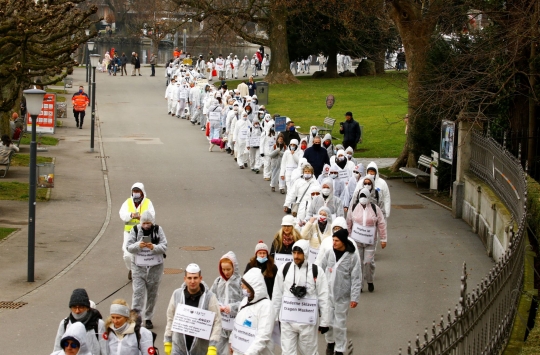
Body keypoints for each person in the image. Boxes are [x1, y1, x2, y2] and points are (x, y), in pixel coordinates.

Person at [272, 239, 330, 355]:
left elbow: (324, 297)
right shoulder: (284, 269)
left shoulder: (316, 271)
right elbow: (277, 295)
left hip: (307, 322)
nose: (296, 256)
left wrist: (325, 321)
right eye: (294, 253)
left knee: (309, 352)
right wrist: (273, 318)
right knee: (287, 352)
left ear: (306, 253)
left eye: (299, 253)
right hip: (288, 320)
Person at [317, 229, 362, 355]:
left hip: (342, 296)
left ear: (343, 241)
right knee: (328, 321)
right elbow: (320, 268)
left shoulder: (352, 257)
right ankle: (330, 342)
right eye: (333, 240)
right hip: (328, 294)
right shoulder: (330, 253)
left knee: (340, 324)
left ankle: (340, 349)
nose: (334, 243)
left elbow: (356, 278)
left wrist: (354, 298)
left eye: (336, 240)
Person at [164, 264, 222, 355]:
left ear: (200, 278)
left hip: (201, 349)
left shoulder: (210, 297)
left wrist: (212, 346)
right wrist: (168, 339)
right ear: (185, 279)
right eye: (189, 278)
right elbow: (170, 317)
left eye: (195, 278)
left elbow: (217, 321)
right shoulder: (177, 294)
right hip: (178, 348)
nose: (192, 281)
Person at [126, 211, 167, 329]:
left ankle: (148, 317)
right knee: (138, 293)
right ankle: (136, 317)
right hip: (138, 267)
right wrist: (139, 245)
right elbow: (129, 247)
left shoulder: (158, 230)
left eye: (149, 223)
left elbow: (164, 246)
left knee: (152, 294)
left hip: (155, 268)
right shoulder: (135, 230)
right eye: (144, 223)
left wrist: (153, 247)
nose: (146, 226)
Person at [347, 187, 387, 293]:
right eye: (361, 196)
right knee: (358, 263)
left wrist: (383, 239)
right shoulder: (354, 207)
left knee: (368, 262)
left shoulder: (375, 208)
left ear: (369, 197)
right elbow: (348, 223)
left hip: (370, 241)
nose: (363, 198)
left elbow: (381, 224)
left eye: (365, 196)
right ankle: (359, 285)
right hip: (357, 241)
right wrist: (349, 238)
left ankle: (370, 280)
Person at [230, 268, 274, 355]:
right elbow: (237, 323)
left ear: (253, 287)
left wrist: (248, 353)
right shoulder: (245, 301)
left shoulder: (266, 306)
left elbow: (263, 336)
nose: (242, 286)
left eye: (245, 285)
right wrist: (232, 342)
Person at [119, 182, 155, 279]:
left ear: (142, 192)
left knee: (146, 253)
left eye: (137, 191)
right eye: (134, 191)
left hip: (145, 233)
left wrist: (142, 218)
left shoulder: (148, 203)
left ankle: (144, 273)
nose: (135, 193)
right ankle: (132, 269)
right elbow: (122, 214)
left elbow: (152, 216)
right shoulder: (127, 202)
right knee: (127, 254)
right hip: (129, 232)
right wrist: (131, 215)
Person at [53, 289, 106, 355]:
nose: (77, 311)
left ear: (87, 308)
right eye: (74, 307)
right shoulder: (64, 324)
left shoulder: (98, 324)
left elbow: (105, 350)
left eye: (81, 307)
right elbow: (57, 349)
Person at [210, 252, 243, 355]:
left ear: (234, 267)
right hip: (222, 323)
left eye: (228, 269)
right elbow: (211, 297)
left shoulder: (240, 282)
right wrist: (217, 306)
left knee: (234, 350)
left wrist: (232, 307)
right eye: (223, 269)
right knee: (218, 350)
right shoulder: (218, 281)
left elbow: (245, 302)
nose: (226, 272)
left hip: (235, 324)